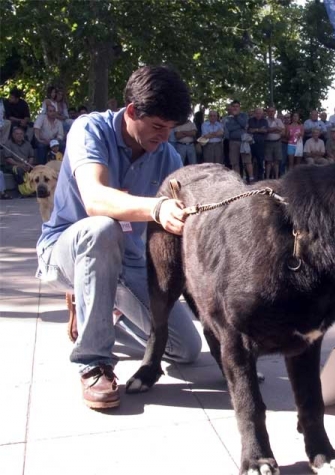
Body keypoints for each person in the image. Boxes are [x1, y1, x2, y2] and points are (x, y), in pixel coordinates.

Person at [35, 65, 202, 410]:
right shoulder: (88, 129)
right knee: (102, 228)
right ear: (131, 112)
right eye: (157, 126)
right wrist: (157, 209)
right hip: (66, 250)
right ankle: (93, 361)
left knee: (186, 350)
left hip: (129, 260)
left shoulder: (167, 156)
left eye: (171, 128)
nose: (164, 137)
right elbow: (96, 200)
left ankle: (108, 311)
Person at [2, 126, 35, 197]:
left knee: (37, 169)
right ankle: (22, 191)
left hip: (26, 164)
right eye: (17, 134)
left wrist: (29, 164)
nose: (19, 135)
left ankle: (33, 190)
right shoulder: (8, 144)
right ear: (13, 135)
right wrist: (19, 164)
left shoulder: (27, 144)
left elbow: (31, 156)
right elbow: (8, 159)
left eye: (21, 134)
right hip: (12, 165)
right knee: (19, 170)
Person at [225, 100, 251, 179]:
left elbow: (244, 124)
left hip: (244, 142)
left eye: (237, 106)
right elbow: (229, 128)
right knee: (234, 162)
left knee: (247, 161)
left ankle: (251, 178)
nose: (235, 108)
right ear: (231, 107)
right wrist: (240, 126)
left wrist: (236, 117)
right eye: (234, 106)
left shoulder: (244, 115)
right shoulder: (228, 118)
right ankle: (238, 179)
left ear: (239, 107)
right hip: (233, 142)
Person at [248, 107, 268, 180]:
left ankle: (260, 178)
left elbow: (265, 131)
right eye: (256, 113)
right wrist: (259, 129)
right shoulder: (250, 120)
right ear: (254, 113)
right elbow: (249, 130)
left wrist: (255, 130)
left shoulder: (264, 121)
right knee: (249, 161)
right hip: (251, 144)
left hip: (261, 144)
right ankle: (249, 178)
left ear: (262, 114)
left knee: (260, 161)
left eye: (259, 113)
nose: (258, 114)